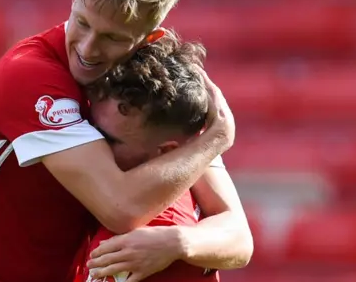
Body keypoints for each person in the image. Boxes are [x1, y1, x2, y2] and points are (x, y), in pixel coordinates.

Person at [0, 0, 236, 282]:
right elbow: (122, 209)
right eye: (83, 23)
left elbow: (236, 234)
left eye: (113, 38)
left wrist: (179, 242)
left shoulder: (151, 87)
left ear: (150, 39)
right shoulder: (29, 76)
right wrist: (214, 140)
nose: (88, 49)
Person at [75, 32, 252, 282]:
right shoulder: (186, 145)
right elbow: (238, 233)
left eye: (107, 138)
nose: (85, 143)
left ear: (168, 152)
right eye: (88, 126)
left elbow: (240, 239)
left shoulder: (136, 246)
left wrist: (175, 241)